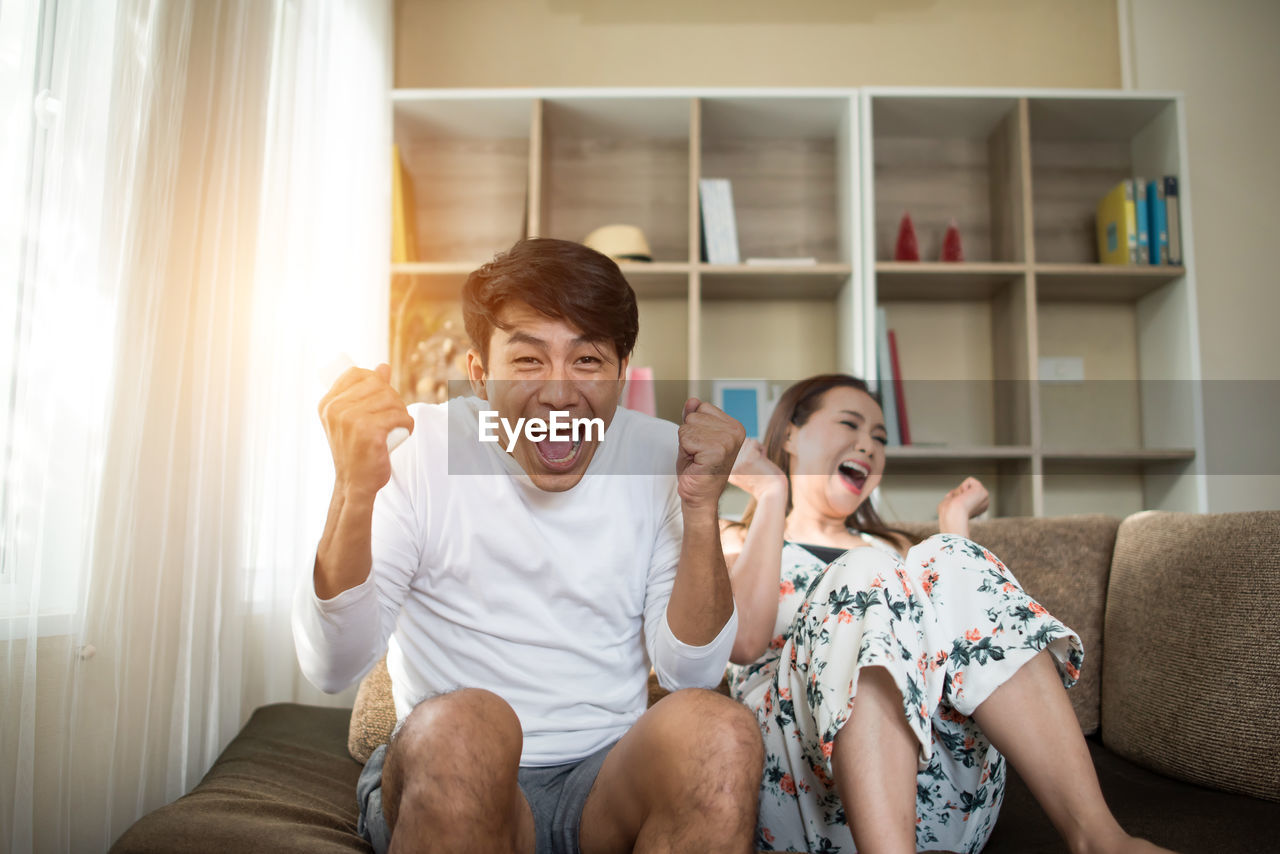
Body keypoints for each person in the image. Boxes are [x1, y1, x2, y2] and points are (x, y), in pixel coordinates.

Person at [294, 238, 763, 854]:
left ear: (623, 372)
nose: (560, 394)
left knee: (722, 729)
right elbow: (332, 666)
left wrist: (702, 510)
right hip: (454, 770)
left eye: (588, 360)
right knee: (468, 726)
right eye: (528, 361)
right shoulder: (418, 447)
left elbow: (691, 674)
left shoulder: (661, 457)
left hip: (603, 784)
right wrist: (354, 490)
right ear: (480, 374)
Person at [721, 374, 1173, 854]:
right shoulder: (736, 538)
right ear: (789, 433)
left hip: (934, 794)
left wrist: (954, 533)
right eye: (850, 425)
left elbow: (968, 644)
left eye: (879, 438)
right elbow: (744, 642)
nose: (868, 446)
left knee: (943, 557)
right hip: (796, 783)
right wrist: (769, 496)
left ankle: (1101, 839)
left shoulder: (898, 549)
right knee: (869, 570)